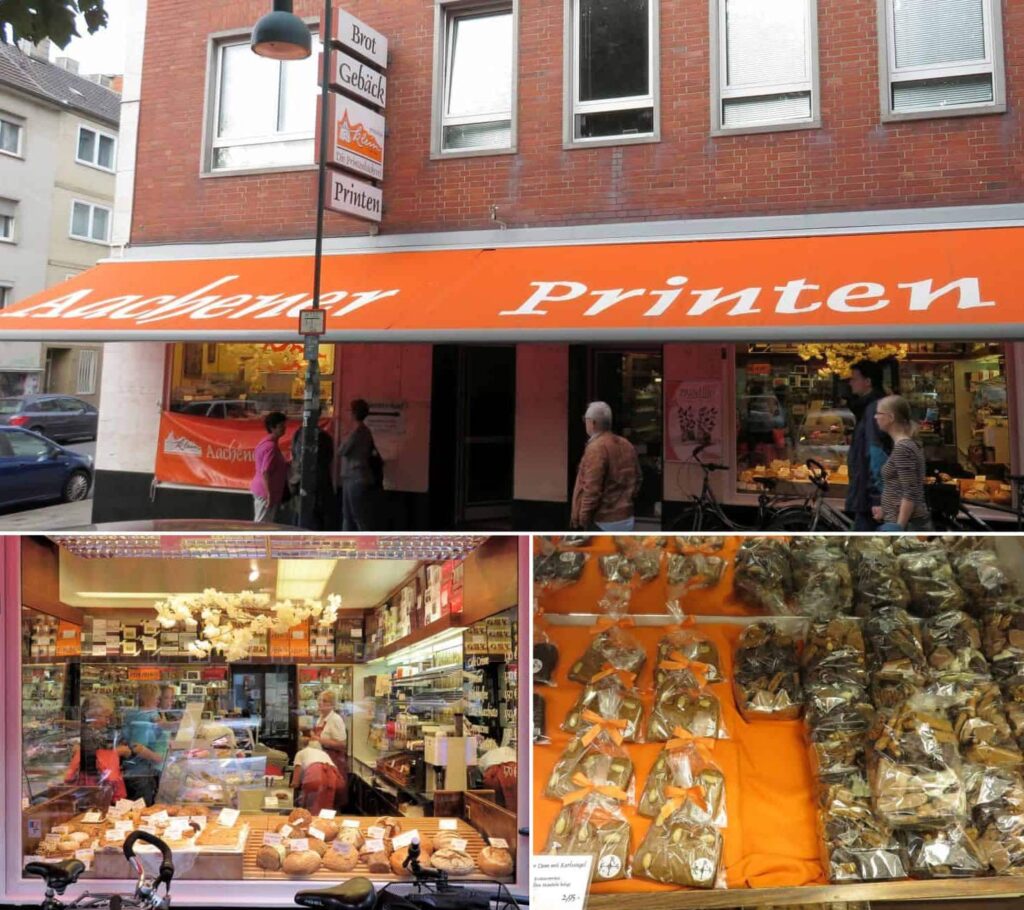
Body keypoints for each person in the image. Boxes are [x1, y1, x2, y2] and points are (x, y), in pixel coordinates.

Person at [571, 401, 642, 531]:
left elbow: (591, 489)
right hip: (626, 516)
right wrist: (627, 499)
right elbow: (638, 478)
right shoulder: (626, 444)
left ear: (592, 423)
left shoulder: (596, 448)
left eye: (585, 420)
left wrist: (583, 519)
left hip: (603, 520)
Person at [873, 394, 933, 532]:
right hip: (902, 521)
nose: (875, 417)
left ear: (891, 418)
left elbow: (910, 493)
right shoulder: (905, 445)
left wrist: (898, 528)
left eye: (879, 413)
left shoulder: (903, 448)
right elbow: (900, 487)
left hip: (908, 526)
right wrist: (885, 510)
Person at [845, 360, 889, 531]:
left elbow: (875, 454)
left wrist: (877, 498)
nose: (850, 383)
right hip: (868, 493)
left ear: (868, 382)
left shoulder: (873, 410)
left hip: (869, 496)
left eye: (854, 378)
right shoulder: (873, 407)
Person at [66, 694, 129, 801]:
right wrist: (116, 752)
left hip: (92, 788)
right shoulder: (87, 734)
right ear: (93, 715)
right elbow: (90, 760)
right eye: (105, 717)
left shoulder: (94, 732)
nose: (108, 721)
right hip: (90, 789)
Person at [289, 407, 337, 531]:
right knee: (312, 521)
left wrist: (295, 480)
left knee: (301, 518)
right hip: (316, 486)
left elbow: (295, 457)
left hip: (304, 484)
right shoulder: (322, 437)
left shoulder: (299, 433)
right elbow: (327, 459)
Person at [120, 683, 169, 805]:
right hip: (140, 772)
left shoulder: (135, 715)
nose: (158, 701)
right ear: (148, 698)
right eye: (156, 697)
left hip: (136, 770)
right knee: (142, 809)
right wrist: (157, 758)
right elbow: (137, 747)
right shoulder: (143, 717)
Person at [338, 399, 380, 531]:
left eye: (350, 411)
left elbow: (342, 451)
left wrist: (344, 435)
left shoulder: (356, 432)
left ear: (354, 413)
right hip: (357, 476)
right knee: (354, 515)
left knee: (354, 515)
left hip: (354, 476)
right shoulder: (365, 431)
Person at [312, 689, 349, 809]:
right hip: (323, 761)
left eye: (324, 701)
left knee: (331, 795)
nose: (320, 703)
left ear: (332, 704)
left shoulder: (335, 719)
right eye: (319, 700)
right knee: (322, 795)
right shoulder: (321, 718)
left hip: (334, 761)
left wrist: (319, 740)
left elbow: (342, 744)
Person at [250, 411, 289, 523]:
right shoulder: (271, 447)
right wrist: (269, 494)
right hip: (265, 492)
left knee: (264, 523)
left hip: (264, 491)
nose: (284, 428)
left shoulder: (267, 443)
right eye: (281, 426)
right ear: (273, 428)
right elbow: (265, 471)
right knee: (262, 524)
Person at [292, 738, 344, 816]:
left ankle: (310, 823)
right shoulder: (323, 753)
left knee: (308, 809)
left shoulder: (300, 753)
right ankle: (326, 824)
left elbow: (295, 782)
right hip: (335, 778)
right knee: (327, 807)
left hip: (315, 775)